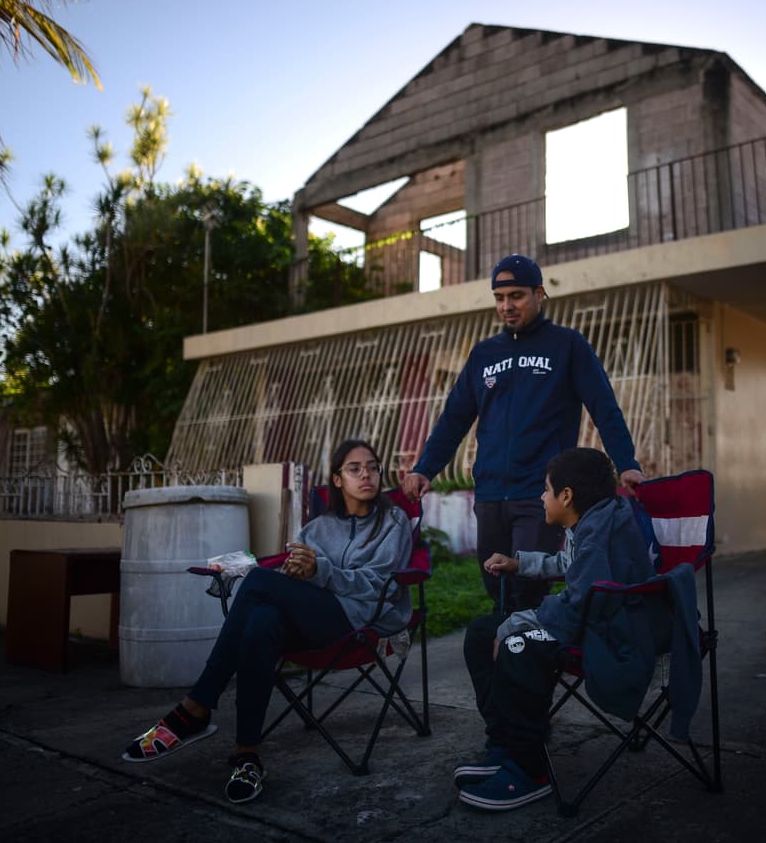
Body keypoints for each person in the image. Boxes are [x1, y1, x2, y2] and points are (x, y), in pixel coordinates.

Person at [120, 439, 412, 804]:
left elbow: (377, 584)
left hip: (359, 622)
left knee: (259, 583)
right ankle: (247, 756)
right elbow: (296, 573)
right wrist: (296, 570)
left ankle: (197, 705)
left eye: (372, 466)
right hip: (313, 619)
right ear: (337, 479)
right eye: (354, 468)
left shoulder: (393, 521)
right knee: (261, 622)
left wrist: (319, 570)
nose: (366, 474)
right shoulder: (318, 528)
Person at [401, 253, 642, 614]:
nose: (506, 306)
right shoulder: (484, 354)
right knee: (495, 585)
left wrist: (626, 463)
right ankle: (511, 658)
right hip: (491, 492)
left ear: (539, 294)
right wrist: (425, 467)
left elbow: (604, 408)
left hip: (541, 494)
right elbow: (454, 418)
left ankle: (529, 658)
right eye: (499, 298)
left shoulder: (568, 345)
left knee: (527, 588)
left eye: (516, 296)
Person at [454, 448, 660, 811]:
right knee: (481, 634)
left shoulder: (599, 530)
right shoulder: (593, 520)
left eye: (546, 490)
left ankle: (529, 770)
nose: (541, 497)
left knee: (517, 645)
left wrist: (516, 623)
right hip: (594, 617)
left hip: (610, 630)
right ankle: (504, 744)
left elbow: (579, 602)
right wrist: (519, 564)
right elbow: (569, 565)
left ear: (566, 495)